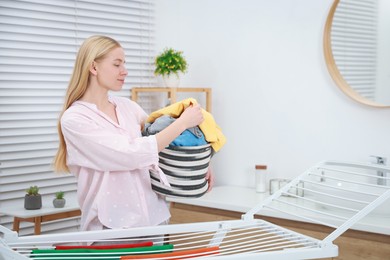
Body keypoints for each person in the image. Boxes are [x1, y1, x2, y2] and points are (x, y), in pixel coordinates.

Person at [53, 35, 213, 233]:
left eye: (124, 64)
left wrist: (200, 164)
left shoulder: (128, 107)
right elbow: (129, 154)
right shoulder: (75, 119)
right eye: (117, 64)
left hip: (154, 218)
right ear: (94, 67)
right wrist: (182, 123)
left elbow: (162, 141)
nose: (124, 71)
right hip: (111, 226)